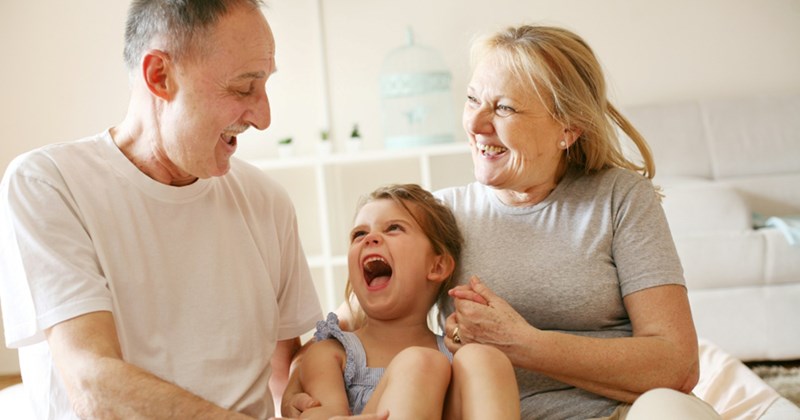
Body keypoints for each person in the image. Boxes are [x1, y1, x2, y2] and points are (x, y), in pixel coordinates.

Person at [286, 24, 721, 419]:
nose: (475, 124)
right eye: (473, 99)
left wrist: (524, 344)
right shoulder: (442, 216)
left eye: (505, 108)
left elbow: (678, 364)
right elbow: (355, 315)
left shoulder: (621, 198)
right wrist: (298, 377)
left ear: (567, 128)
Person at [0, 1, 333, 418]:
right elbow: (93, 384)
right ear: (159, 76)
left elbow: (283, 372)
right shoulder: (48, 184)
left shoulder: (267, 201)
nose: (263, 118)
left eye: (265, 85)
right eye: (244, 87)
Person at [296, 184, 519, 419]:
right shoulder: (332, 353)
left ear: (437, 266)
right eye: (359, 234)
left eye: (393, 228)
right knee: (419, 363)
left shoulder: (455, 356)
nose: (370, 238)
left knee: (484, 358)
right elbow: (320, 414)